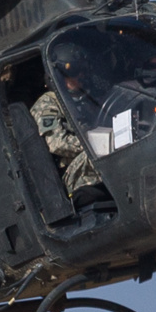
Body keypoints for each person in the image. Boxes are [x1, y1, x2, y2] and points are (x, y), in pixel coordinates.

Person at [32, 42, 104, 197]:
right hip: (71, 173)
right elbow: (57, 144)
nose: (81, 76)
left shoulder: (87, 98)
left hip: (90, 159)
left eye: (83, 70)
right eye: (75, 71)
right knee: (106, 153)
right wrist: (97, 144)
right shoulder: (48, 103)